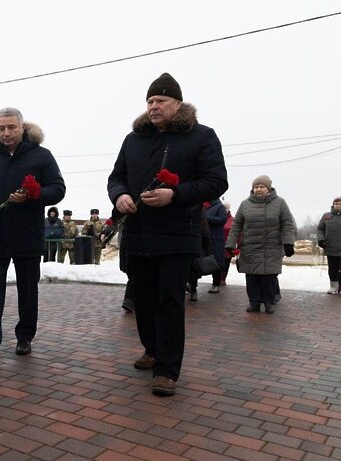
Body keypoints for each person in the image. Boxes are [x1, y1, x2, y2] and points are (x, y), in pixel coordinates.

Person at [107, 73, 228, 396]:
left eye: (161, 101)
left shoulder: (201, 136)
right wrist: (119, 196)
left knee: (170, 300)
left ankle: (167, 369)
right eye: (150, 101)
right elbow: (116, 177)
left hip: (178, 234)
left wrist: (175, 194)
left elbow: (217, 182)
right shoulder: (134, 139)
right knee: (142, 299)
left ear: (178, 103)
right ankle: (152, 349)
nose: (154, 106)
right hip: (138, 233)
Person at [0, 107, 65, 364]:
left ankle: (24, 336)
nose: (6, 133)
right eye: (1, 128)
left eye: (11, 127)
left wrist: (34, 194)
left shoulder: (42, 156)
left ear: (22, 128)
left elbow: (57, 189)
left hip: (27, 238)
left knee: (28, 291)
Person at [225, 175, 295, 314]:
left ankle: (269, 302)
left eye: (261, 187)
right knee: (252, 277)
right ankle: (254, 303)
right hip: (250, 247)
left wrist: (288, 243)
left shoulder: (280, 203)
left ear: (268, 188)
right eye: (256, 187)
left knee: (269, 278)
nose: (258, 189)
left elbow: (287, 224)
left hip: (272, 247)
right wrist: (231, 243)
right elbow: (236, 225)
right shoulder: (245, 204)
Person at [317, 197, 341, 294]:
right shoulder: (327, 216)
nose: (338, 205)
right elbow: (320, 229)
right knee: (333, 269)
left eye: (340, 204)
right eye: (336, 204)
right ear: (333, 205)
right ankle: (333, 287)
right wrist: (321, 239)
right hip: (331, 248)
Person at [220, 201, 234, 286]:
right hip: (216, 244)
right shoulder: (216, 216)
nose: (224, 209)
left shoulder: (232, 220)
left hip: (227, 246)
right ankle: (216, 280)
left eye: (226, 208)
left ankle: (222, 279)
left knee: (225, 264)